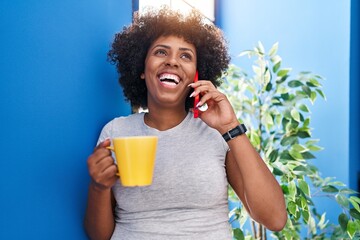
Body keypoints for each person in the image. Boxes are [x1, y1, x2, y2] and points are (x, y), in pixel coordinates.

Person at [84, 6, 287, 240]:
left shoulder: (216, 134)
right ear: (142, 68)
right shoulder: (116, 131)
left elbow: (274, 218)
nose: (172, 61)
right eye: (161, 52)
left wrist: (230, 127)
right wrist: (98, 187)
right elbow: (99, 236)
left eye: (185, 55)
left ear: (195, 76)